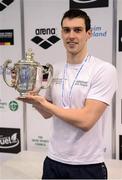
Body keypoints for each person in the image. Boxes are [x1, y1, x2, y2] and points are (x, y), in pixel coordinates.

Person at [17, 9, 118, 179]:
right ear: (61, 34)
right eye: (66, 30)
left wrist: (45, 104)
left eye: (77, 30)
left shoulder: (104, 70)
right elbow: (47, 114)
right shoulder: (53, 69)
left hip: (87, 165)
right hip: (53, 161)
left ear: (89, 34)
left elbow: (86, 121)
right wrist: (35, 101)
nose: (71, 35)